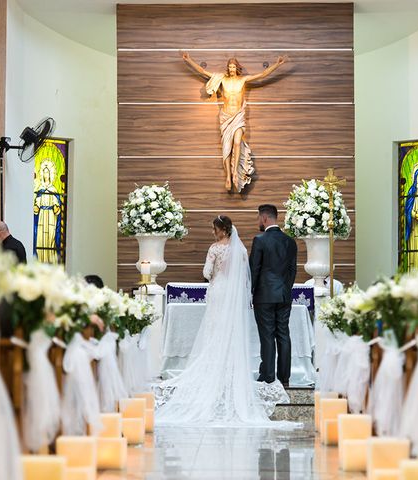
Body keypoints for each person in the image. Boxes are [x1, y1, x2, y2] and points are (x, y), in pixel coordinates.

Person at [154, 215, 291, 427]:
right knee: (231, 331)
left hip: (218, 292)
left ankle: (214, 369)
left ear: (221, 230)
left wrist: (215, 272)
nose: (212, 233)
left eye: (214, 229)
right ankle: (231, 371)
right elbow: (247, 275)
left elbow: (207, 273)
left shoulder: (214, 249)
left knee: (214, 330)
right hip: (233, 295)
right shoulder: (242, 250)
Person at [181, 52, 287, 192]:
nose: (231, 69)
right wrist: (189, 60)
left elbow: (262, 75)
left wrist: (277, 64)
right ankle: (228, 177)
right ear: (228, 68)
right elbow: (202, 71)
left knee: (237, 142)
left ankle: (235, 172)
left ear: (237, 68)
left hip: (238, 116)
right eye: (229, 67)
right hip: (225, 117)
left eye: (233, 67)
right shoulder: (222, 80)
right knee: (226, 148)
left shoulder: (242, 80)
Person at [249, 204, 298, 387]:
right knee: (283, 334)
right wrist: (286, 288)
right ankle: (284, 378)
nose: (258, 222)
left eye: (258, 218)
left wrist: (250, 292)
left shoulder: (259, 240)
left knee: (267, 335)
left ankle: (268, 376)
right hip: (284, 295)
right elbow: (293, 269)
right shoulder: (290, 241)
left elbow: (254, 270)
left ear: (264, 218)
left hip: (264, 296)